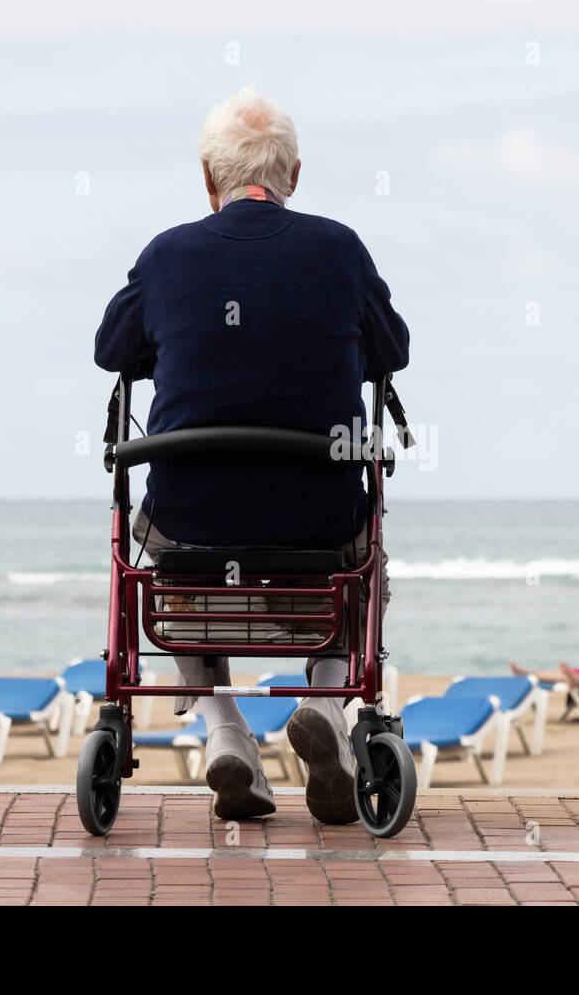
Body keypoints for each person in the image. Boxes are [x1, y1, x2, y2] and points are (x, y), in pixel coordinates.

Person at [94, 87, 409, 823]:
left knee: (161, 550)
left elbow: (113, 349)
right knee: (369, 566)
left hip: (190, 521)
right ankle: (325, 710)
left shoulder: (169, 254)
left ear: (208, 178)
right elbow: (393, 350)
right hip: (320, 523)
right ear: (294, 173)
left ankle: (224, 731)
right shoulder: (339, 248)